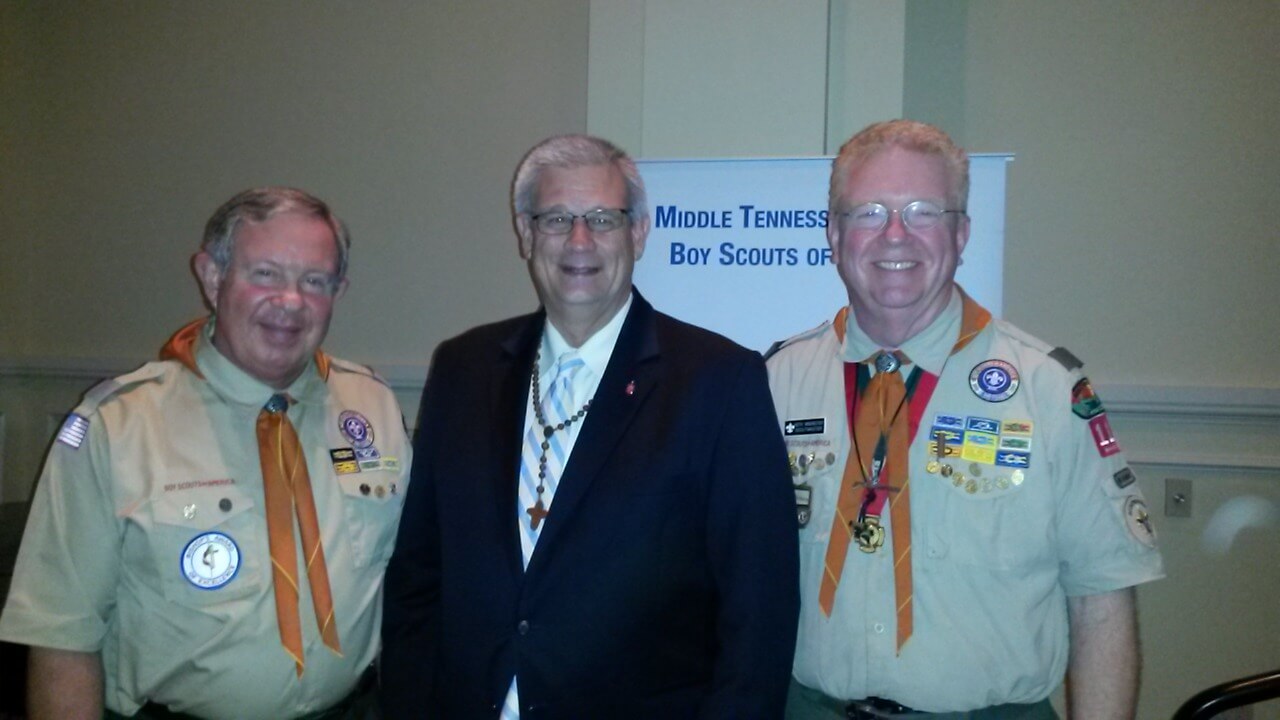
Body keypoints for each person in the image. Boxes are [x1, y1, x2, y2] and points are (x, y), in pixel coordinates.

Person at [381, 134, 799, 719]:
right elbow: (418, 579)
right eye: (556, 219)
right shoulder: (462, 368)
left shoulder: (719, 381)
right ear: (525, 234)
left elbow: (760, 610)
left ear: (639, 233)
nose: (580, 241)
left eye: (603, 218)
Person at [766, 120, 1164, 719]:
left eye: (924, 211)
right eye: (868, 212)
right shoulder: (775, 383)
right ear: (833, 233)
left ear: (961, 233)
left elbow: (1101, 598)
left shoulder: (1047, 390)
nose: (894, 235)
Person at [0, 187, 411, 720]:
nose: (290, 301)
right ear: (212, 277)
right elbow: (62, 635)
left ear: (339, 290)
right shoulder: (118, 426)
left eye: (315, 281)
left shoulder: (372, 406)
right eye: (265, 273)